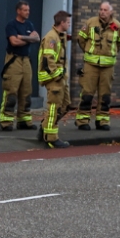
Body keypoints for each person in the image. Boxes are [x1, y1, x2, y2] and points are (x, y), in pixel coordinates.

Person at [76, 1, 120, 131]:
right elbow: (81, 39)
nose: (102, 12)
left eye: (105, 10)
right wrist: (88, 51)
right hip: (91, 65)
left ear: (110, 12)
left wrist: (109, 54)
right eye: (101, 9)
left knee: (105, 95)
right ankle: (82, 120)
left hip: (107, 67)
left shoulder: (117, 26)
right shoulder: (90, 23)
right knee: (87, 94)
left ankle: (102, 121)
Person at [0, 0, 40, 131]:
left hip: (26, 60)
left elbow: (37, 38)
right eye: (25, 10)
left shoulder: (29, 24)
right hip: (14, 60)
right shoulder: (11, 25)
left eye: (28, 10)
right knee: (11, 91)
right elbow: (14, 42)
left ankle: (24, 120)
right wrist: (29, 39)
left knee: (26, 91)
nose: (28, 12)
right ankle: (6, 122)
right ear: (18, 11)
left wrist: (22, 37)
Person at [38, 10, 73, 149]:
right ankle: (51, 138)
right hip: (55, 79)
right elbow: (48, 60)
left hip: (61, 78)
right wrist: (57, 75)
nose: (69, 25)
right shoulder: (51, 38)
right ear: (62, 22)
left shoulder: (59, 36)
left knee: (66, 105)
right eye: (68, 22)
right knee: (54, 107)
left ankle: (44, 127)